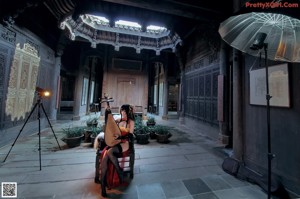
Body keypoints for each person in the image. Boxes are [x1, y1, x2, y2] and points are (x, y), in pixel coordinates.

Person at [100, 104, 135, 197]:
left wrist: (120, 136)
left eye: (124, 111)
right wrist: (108, 111)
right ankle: (103, 185)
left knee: (110, 152)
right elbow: (109, 123)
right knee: (105, 156)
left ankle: (119, 171)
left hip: (125, 143)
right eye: (121, 111)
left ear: (128, 112)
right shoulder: (119, 120)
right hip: (115, 142)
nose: (122, 112)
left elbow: (130, 136)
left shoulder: (131, 122)